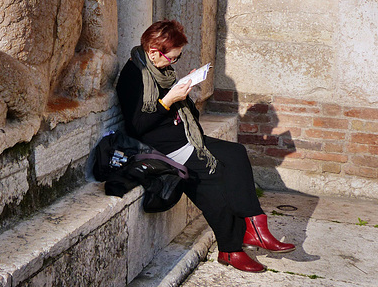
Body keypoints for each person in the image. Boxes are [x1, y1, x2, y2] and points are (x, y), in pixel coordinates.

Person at [115, 19, 294, 273]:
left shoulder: (159, 69)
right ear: (154, 52)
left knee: (236, 153)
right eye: (172, 58)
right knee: (215, 177)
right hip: (162, 149)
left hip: (186, 138)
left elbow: (179, 113)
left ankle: (254, 227)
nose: (174, 63)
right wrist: (168, 101)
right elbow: (137, 126)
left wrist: (182, 93)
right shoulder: (133, 76)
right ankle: (235, 245)